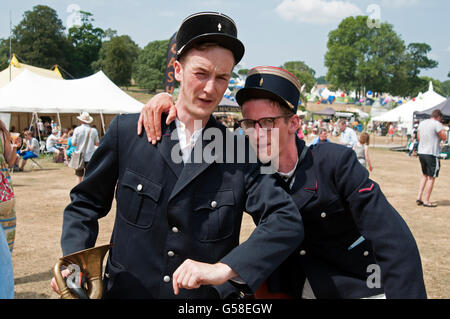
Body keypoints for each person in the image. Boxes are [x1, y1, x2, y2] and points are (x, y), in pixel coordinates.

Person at [52, 12, 303, 299]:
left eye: (222, 77)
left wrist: (225, 268)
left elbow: (285, 221)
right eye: (201, 73)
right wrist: (74, 262)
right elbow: (85, 203)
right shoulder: (127, 133)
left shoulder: (238, 152)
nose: (211, 88)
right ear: (178, 70)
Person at [142, 66, 427, 299]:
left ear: (294, 123)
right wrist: (168, 102)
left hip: (355, 285)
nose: (257, 132)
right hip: (287, 288)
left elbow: (393, 241)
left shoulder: (333, 163)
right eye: (250, 123)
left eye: (268, 122)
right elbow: (200, 128)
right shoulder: (244, 165)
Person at [416, 109, 447, 208]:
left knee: (424, 175)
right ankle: (426, 200)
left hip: (422, 152)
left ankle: (419, 197)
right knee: (431, 177)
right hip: (432, 153)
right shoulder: (437, 124)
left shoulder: (422, 123)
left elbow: (418, 138)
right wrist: (442, 130)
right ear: (439, 117)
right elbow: (444, 137)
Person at [0, 120, 18, 253]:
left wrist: (15, 147)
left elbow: (10, 162)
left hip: (3, 188)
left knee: (6, 227)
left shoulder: (2, 132)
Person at [71, 112, 99, 184]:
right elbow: (97, 143)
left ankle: (78, 191)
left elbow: (73, 143)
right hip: (90, 155)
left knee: (79, 176)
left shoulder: (77, 130)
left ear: (81, 120)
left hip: (79, 155)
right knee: (89, 175)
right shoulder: (94, 130)